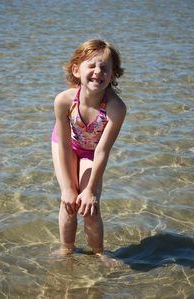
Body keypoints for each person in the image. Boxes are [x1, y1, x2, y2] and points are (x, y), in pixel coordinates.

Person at [51, 39, 126, 257]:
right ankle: (66, 249)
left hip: (93, 152)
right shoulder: (64, 101)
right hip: (66, 144)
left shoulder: (116, 108)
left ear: (112, 76)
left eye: (104, 68)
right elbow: (64, 145)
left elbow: (102, 151)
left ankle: (98, 253)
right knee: (70, 201)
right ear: (76, 70)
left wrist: (91, 191)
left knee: (90, 207)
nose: (97, 72)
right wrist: (66, 187)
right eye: (91, 65)